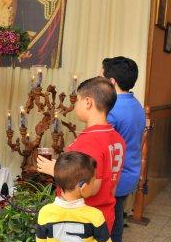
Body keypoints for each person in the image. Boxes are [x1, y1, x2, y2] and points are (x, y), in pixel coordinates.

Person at [37, 76, 126, 233]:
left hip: (83, 221)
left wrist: (56, 169)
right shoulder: (116, 137)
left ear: (88, 102)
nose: (76, 104)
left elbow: (91, 188)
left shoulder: (89, 142)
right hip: (105, 215)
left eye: (77, 100)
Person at [99, 57, 146, 242]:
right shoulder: (136, 105)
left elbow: (104, 148)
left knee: (107, 230)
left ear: (112, 81)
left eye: (102, 75)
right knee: (114, 226)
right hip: (129, 176)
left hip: (113, 180)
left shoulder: (114, 110)